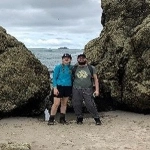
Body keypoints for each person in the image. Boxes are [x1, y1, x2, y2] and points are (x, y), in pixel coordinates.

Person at [72, 54, 101, 125]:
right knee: (76, 104)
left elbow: (96, 79)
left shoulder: (91, 68)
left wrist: (97, 90)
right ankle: (79, 118)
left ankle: (96, 118)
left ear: (86, 59)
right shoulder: (74, 68)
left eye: (82, 58)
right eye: (79, 58)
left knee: (90, 104)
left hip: (88, 89)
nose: (81, 59)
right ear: (77, 59)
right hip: (76, 88)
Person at [48, 53, 72, 125]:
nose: (66, 59)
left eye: (68, 58)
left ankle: (62, 119)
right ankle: (51, 119)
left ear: (70, 59)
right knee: (56, 103)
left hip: (68, 87)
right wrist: (55, 88)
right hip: (59, 87)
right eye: (65, 58)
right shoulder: (58, 67)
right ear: (62, 59)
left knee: (64, 104)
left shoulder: (72, 68)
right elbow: (54, 78)